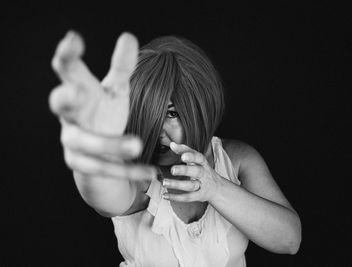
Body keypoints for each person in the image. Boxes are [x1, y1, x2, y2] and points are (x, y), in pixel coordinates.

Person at [49, 30, 302, 267]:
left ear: (200, 107)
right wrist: (91, 154)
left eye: (171, 113)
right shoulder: (134, 177)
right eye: (147, 112)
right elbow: (102, 192)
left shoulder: (236, 159)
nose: (157, 128)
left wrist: (216, 188)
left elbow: (289, 239)